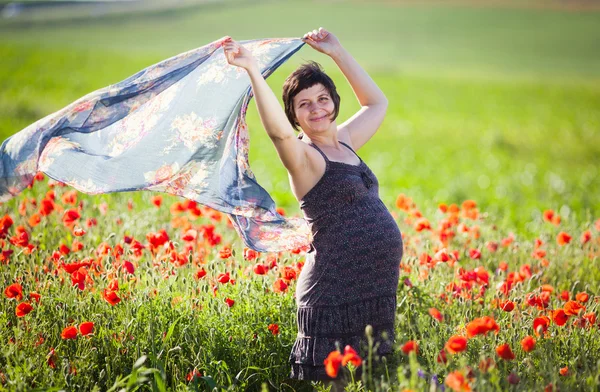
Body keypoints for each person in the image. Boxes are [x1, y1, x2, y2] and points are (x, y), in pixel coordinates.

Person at [223, 28, 403, 390]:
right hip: (334, 291)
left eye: (322, 99)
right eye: (304, 104)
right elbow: (278, 136)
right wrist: (253, 72)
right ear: (293, 115)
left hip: (371, 290)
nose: (317, 108)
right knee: (339, 384)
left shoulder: (347, 142)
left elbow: (377, 103)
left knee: (369, 381)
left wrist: (337, 51)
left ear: (335, 101)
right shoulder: (306, 158)